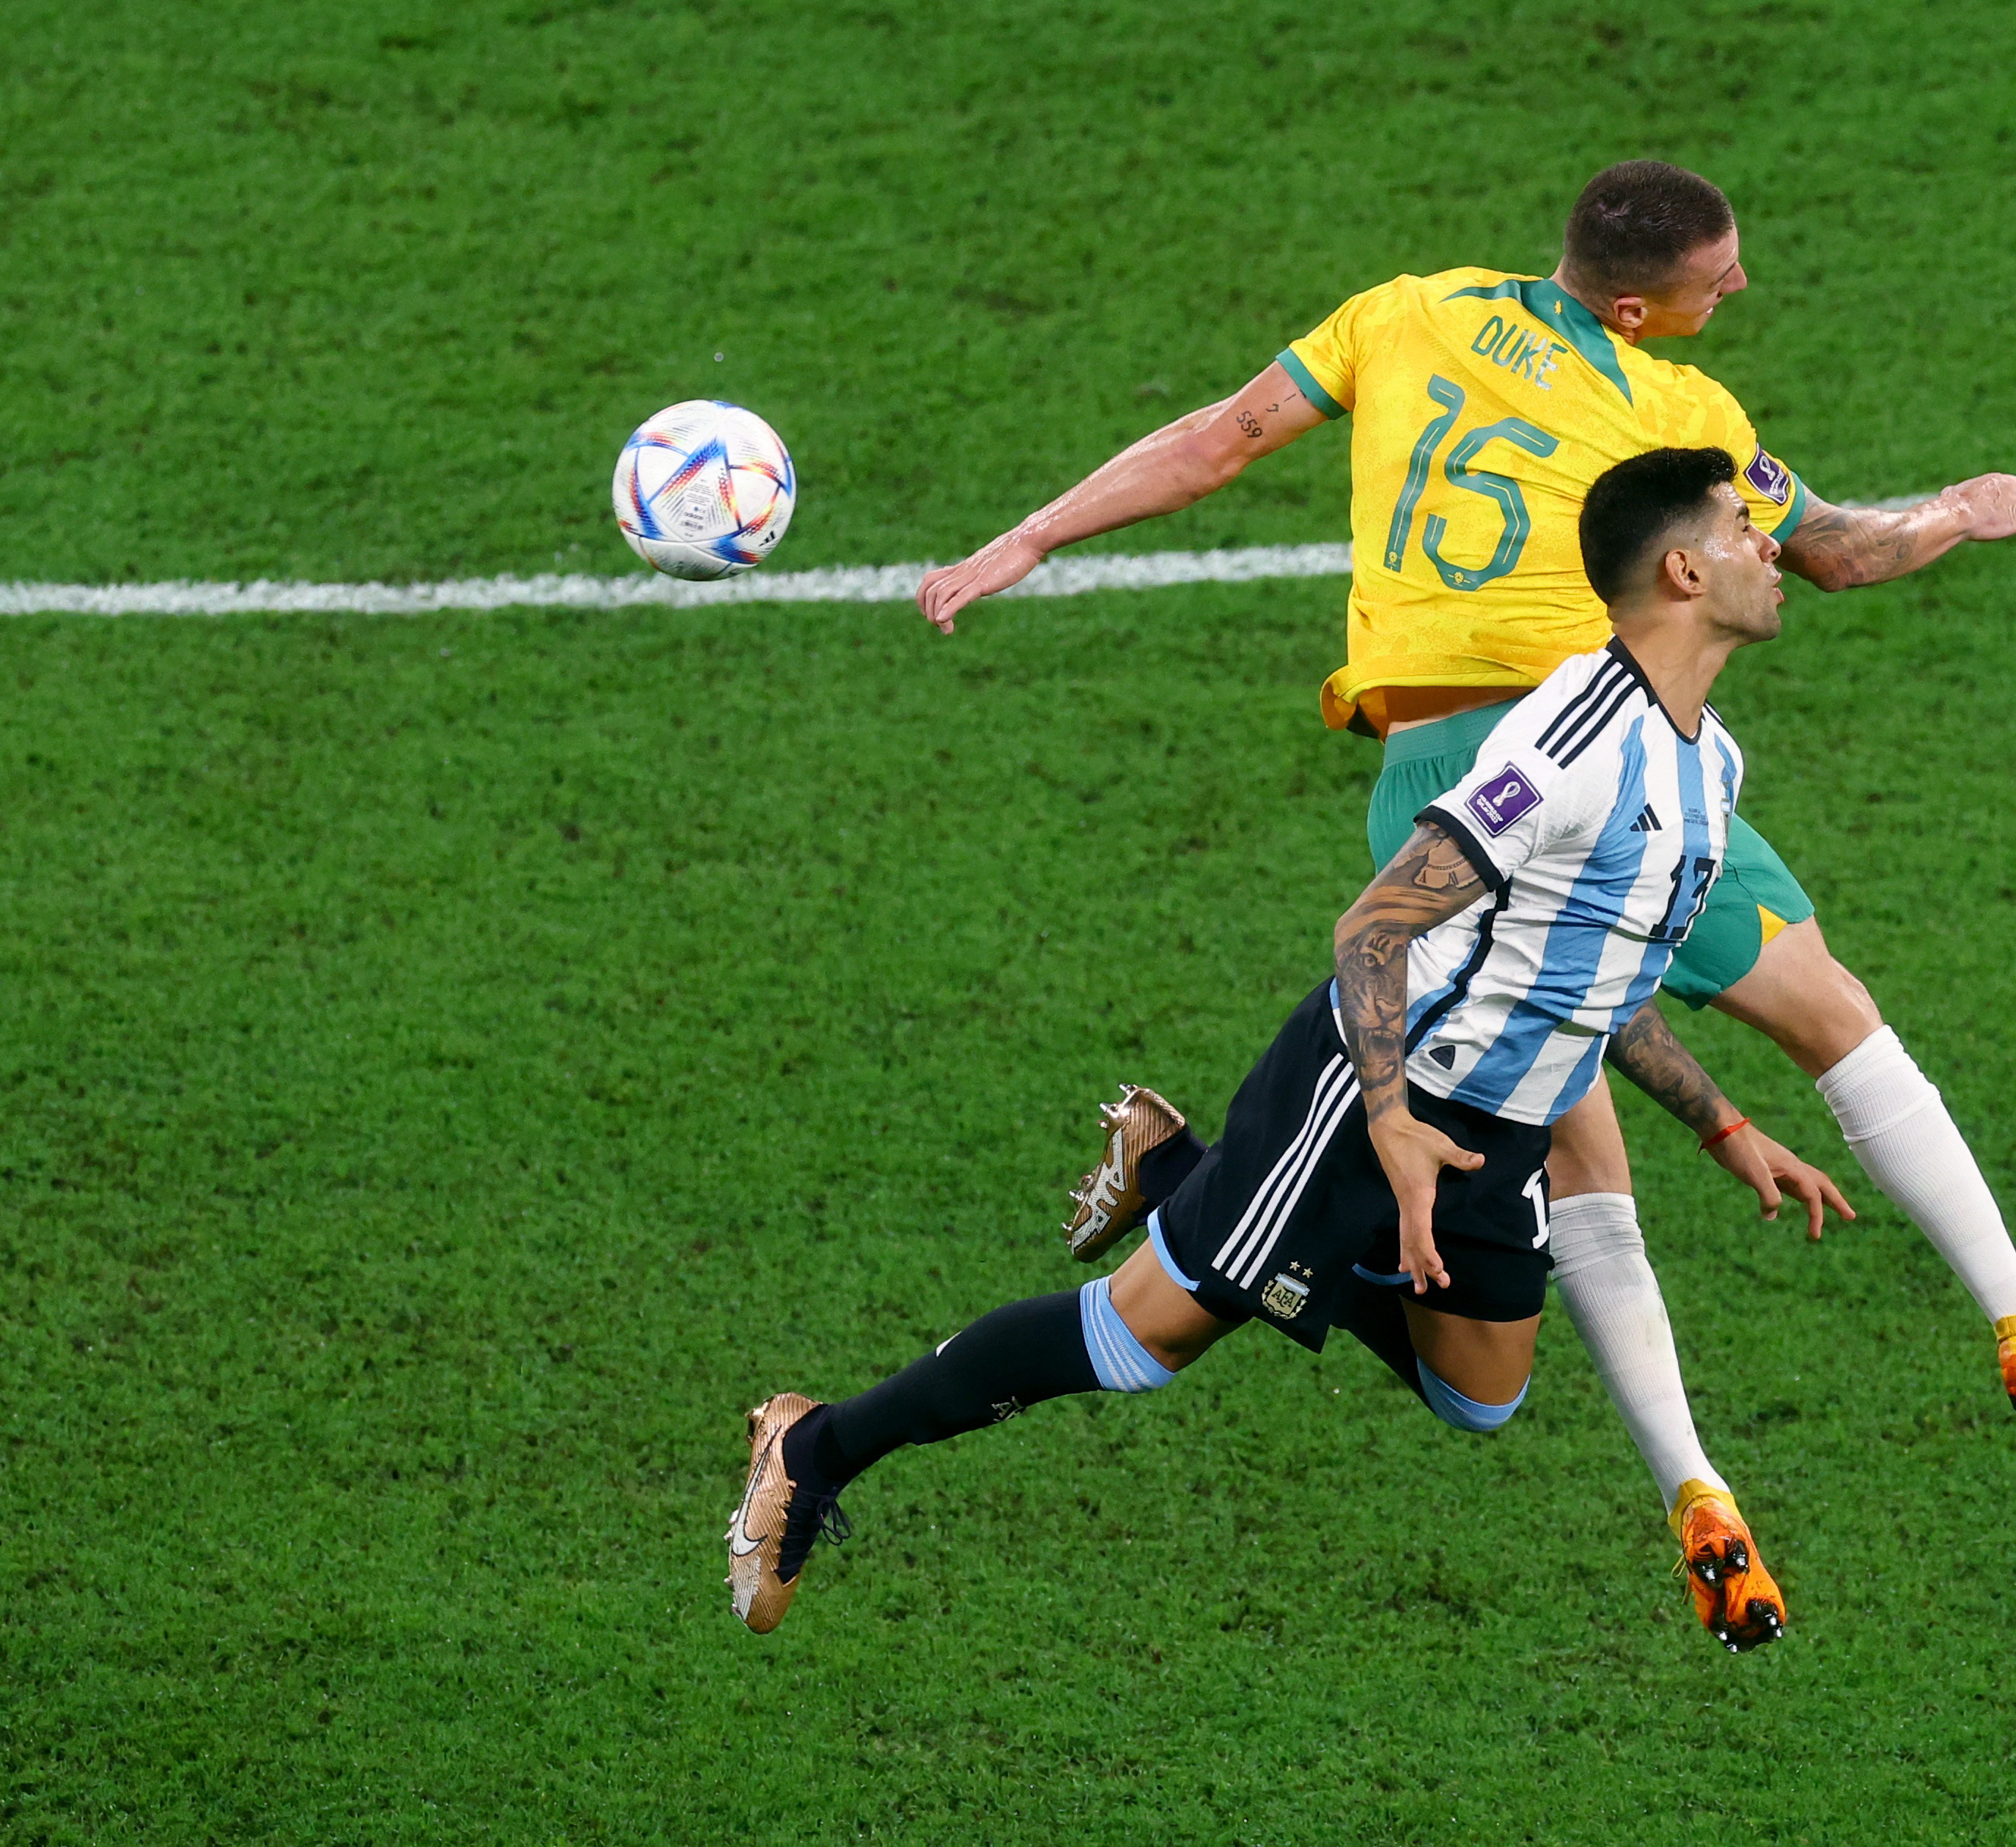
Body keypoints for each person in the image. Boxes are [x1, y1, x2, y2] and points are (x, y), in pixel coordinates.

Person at [916, 160, 2016, 1645]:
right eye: (1717, 280)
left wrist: (1027, 538)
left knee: (1572, 1137)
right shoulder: (1682, 416)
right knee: (1821, 1011)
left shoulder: (1409, 308)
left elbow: (1220, 436)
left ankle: (1695, 1489)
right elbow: (1835, 552)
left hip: (1422, 775)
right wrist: (1964, 510)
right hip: (1580, 762)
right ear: (1635, 310)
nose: (1738, 291)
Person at [734, 451, 1821, 1644]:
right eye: (1740, 525)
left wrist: (1717, 1120)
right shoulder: (1573, 748)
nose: (1770, 543)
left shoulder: (1707, 757)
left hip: (1498, 1128)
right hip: (1371, 1095)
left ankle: (1179, 1176)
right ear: (1681, 571)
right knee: (1138, 1341)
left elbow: (1601, 974)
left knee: (1479, 1394)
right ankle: (814, 1446)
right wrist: (1391, 1126)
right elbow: (1374, 929)